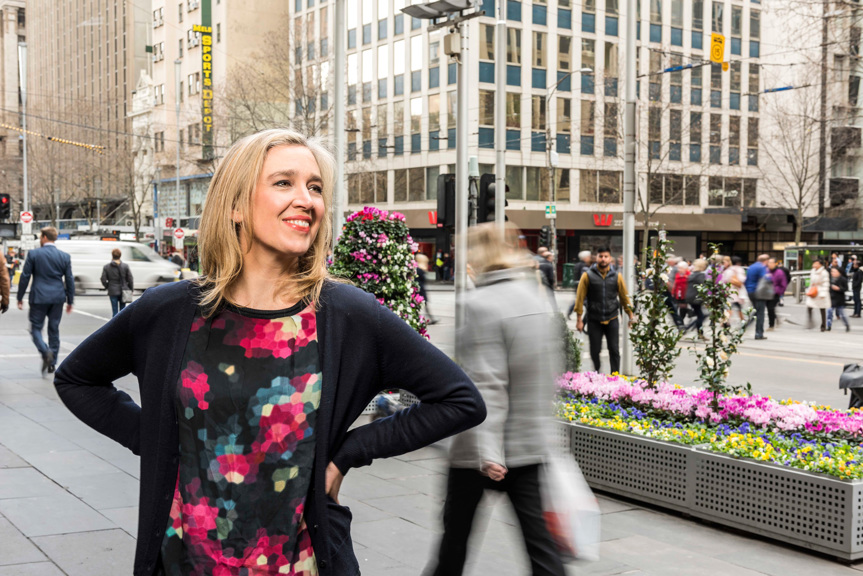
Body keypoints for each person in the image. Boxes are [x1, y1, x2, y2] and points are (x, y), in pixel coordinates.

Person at [52, 129, 486, 576]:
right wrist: (159, 440)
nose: (307, 199)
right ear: (236, 205)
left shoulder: (349, 316)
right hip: (185, 563)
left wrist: (347, 454)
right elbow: (77, 379)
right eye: (284, 183)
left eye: (314, 187)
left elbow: (460, 401)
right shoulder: (171, 311)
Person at [425, 223, 566, 576]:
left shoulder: (479, 303)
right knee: (541, 548)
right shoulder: (535, 296)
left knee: (454, 544)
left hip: (481, 452)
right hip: (529, 445)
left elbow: (486, 383)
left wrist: (488, 452)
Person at [17, 227, 74, 375]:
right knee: (54, 329)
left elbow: (25, 276)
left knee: (36, 328)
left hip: (39, 296)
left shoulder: (34, 254)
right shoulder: (64, 256)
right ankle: (52, 361)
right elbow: (69, 279)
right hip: (57, 297)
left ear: (43, 237)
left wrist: (20, 297)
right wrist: (70, 300)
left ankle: (45, 351)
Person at [574, 246, 634, 374]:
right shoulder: (587, 276)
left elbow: (624, 297)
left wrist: (630, 316)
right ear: (596, 258)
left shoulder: (617, 276)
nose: (603, 259)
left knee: (614, 349)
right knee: (594, 350)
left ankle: (615, 377)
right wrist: (579, 319)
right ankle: (597, 372)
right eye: (600, 256)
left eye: (606, 256)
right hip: (593, 319)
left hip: (612, 317)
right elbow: (580, 298)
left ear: (610, 258)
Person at [101, 248, 135, 317]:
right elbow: (130, 279)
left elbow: (103, 279)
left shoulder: (107, 267)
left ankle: (114, 326)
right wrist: (131, 289)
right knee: (123, 311)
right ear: (120, 255)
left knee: (114, 311)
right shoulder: (125, 266)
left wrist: (108, 286)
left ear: (112, 255)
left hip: (112, 290)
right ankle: (122, 325)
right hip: (124, 290)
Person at [744, 254, 770, 340]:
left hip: (750, 291)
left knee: (756, 311)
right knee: (760, 313)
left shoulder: (751, 267)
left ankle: (744, 326)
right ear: (765, 261)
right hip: (758, 292)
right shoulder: (762, 267)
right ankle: (759, 333)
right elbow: (766, 279)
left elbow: (746, 279)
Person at [684, 258, 707, 339]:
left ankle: (698, 332)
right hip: (696, 298)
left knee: (699, 314)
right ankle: (689, 329)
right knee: (701, 316)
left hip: (690, 297)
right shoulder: (700, 275)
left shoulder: (692, 274)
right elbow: (704, 287)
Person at [722, 256, 749, 326]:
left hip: (730, 291)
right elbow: (743, 279)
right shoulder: (740, 270)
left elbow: (724, 280)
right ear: (739, 263)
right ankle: (742, 320)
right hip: (738, 291)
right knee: (739, 307)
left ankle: (726, 321)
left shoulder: (728, 270)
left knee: (729, 307)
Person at [806, 258, 831, 331]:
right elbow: (811, 282)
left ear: (820, 264)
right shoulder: (813, 271)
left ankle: (823, 325)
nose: (814, 264)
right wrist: (809, 290)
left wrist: (823, 293)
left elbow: (826, 283)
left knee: (822, 309)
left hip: (821, 292)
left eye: (816, 263)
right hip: (813, 292)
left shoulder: (824, 272)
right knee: (809, 306)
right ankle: (810, 322)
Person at [566, 250, 592, 319]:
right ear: (585, 258)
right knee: (585, 301)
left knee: (578, 300)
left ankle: (569, 312)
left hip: (577, 284)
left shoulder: (577, 264)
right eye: (589, 257)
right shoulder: (585, 266)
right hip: (583, 286)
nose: (590, 258)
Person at [415, 253, 438, 324]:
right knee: (421, 306)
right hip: (420, 291)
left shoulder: (418, 269)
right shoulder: (418, 269)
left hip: (419, 290)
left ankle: (429, 318)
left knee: (422, 306)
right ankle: (429, 318)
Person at [766, 258, 788, 331]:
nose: (769, 264)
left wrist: (780, 292)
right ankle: (776, 320)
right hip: (767, 293)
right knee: (770, 309)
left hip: (775, 293)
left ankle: (771, 325)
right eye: (768, 262)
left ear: (775, 263)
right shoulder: (767, 271)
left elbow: (783, 284)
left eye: (771, 262)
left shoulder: (779, 272)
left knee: (771, 308)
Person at [829, 267, 851, 332]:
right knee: (829, 312)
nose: (832, 273)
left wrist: (839, 289)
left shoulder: (843, 279)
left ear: (839, 272)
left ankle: (846, 325)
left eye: (834, 271)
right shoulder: (831, 279)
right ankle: (828, 326)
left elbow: (846, 288)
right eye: (832, 271)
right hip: (832, 298)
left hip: (840, 299)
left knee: (842, 314)